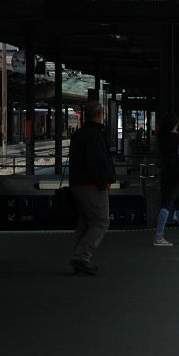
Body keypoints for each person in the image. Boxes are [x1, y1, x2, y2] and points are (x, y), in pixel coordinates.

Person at [68, 101, 115, 275]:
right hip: (91, 185)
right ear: (99, 115)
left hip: (77, 184)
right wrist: (103, 182)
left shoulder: (79, 133)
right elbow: (95, 162)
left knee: (85, 222)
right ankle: (81, 257)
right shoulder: (95, 135)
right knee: (100, 221)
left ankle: (79, 258)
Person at [154, 113, 179, 247]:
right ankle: (159, 237)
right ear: (175, 124)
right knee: (166, 204)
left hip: (165, 172)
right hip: (176, 174)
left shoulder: (160, 138)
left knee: (178, 204)